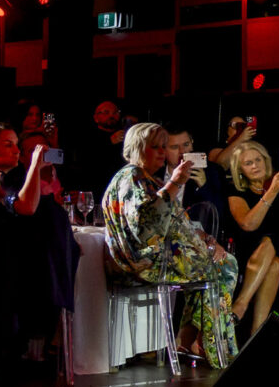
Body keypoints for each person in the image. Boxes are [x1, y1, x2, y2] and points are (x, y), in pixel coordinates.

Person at [103, 121, 241, 370]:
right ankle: (214, 346)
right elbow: (145, 231)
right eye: (155, 147)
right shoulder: (132, 179)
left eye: (163, 147)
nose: (161, 153)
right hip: (147, 263)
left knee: (219, 263)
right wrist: (175, 183)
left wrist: (207, 240)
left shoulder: (145, 178)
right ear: (137, 148)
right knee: (223, 267)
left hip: (162, 258)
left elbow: (178, 222)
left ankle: (196, 341)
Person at [0, 122, 76, 387]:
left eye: (16, 145)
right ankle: (14, 356)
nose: (15, 151)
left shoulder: (13, 176)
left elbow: (30, 207)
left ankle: (34, 347)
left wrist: (36, 172)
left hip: (14, 262)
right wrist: (35, 166)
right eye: (8, 144)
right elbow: (24, 207)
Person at [225, 138, 279, 342]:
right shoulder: (236, 191)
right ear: (240, 169)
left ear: (266, 161)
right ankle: (256, 337)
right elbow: (248, 225)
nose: (255, 165)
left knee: (272, 241)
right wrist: (273, 191)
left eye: (259, 160)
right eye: (248, 163)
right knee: (274, 262)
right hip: (253, 252)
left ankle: (240, 304)